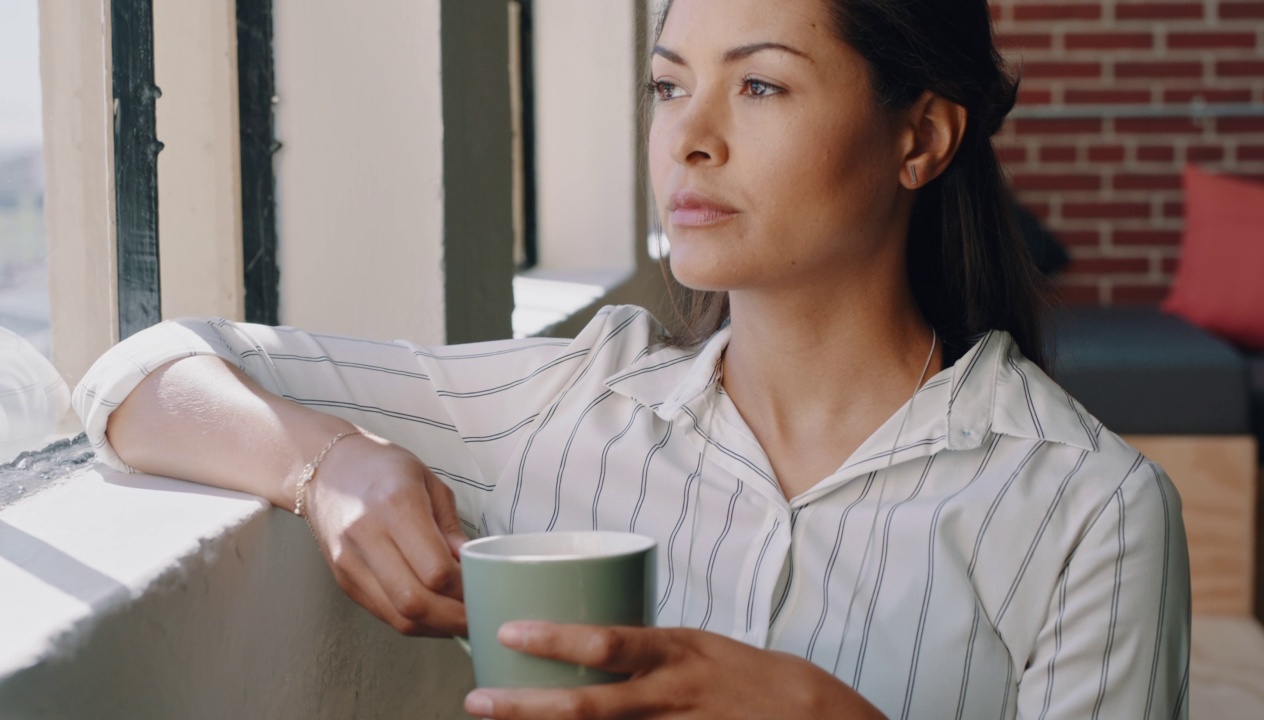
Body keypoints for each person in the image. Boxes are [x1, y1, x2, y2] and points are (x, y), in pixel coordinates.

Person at [73, 0, 1191, 717]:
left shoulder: (1085, 509)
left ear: (919, 138)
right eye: (666, 86)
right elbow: (146, 373)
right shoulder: (560, 405)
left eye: (758, 85)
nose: (688, 135)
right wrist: (332, 469)